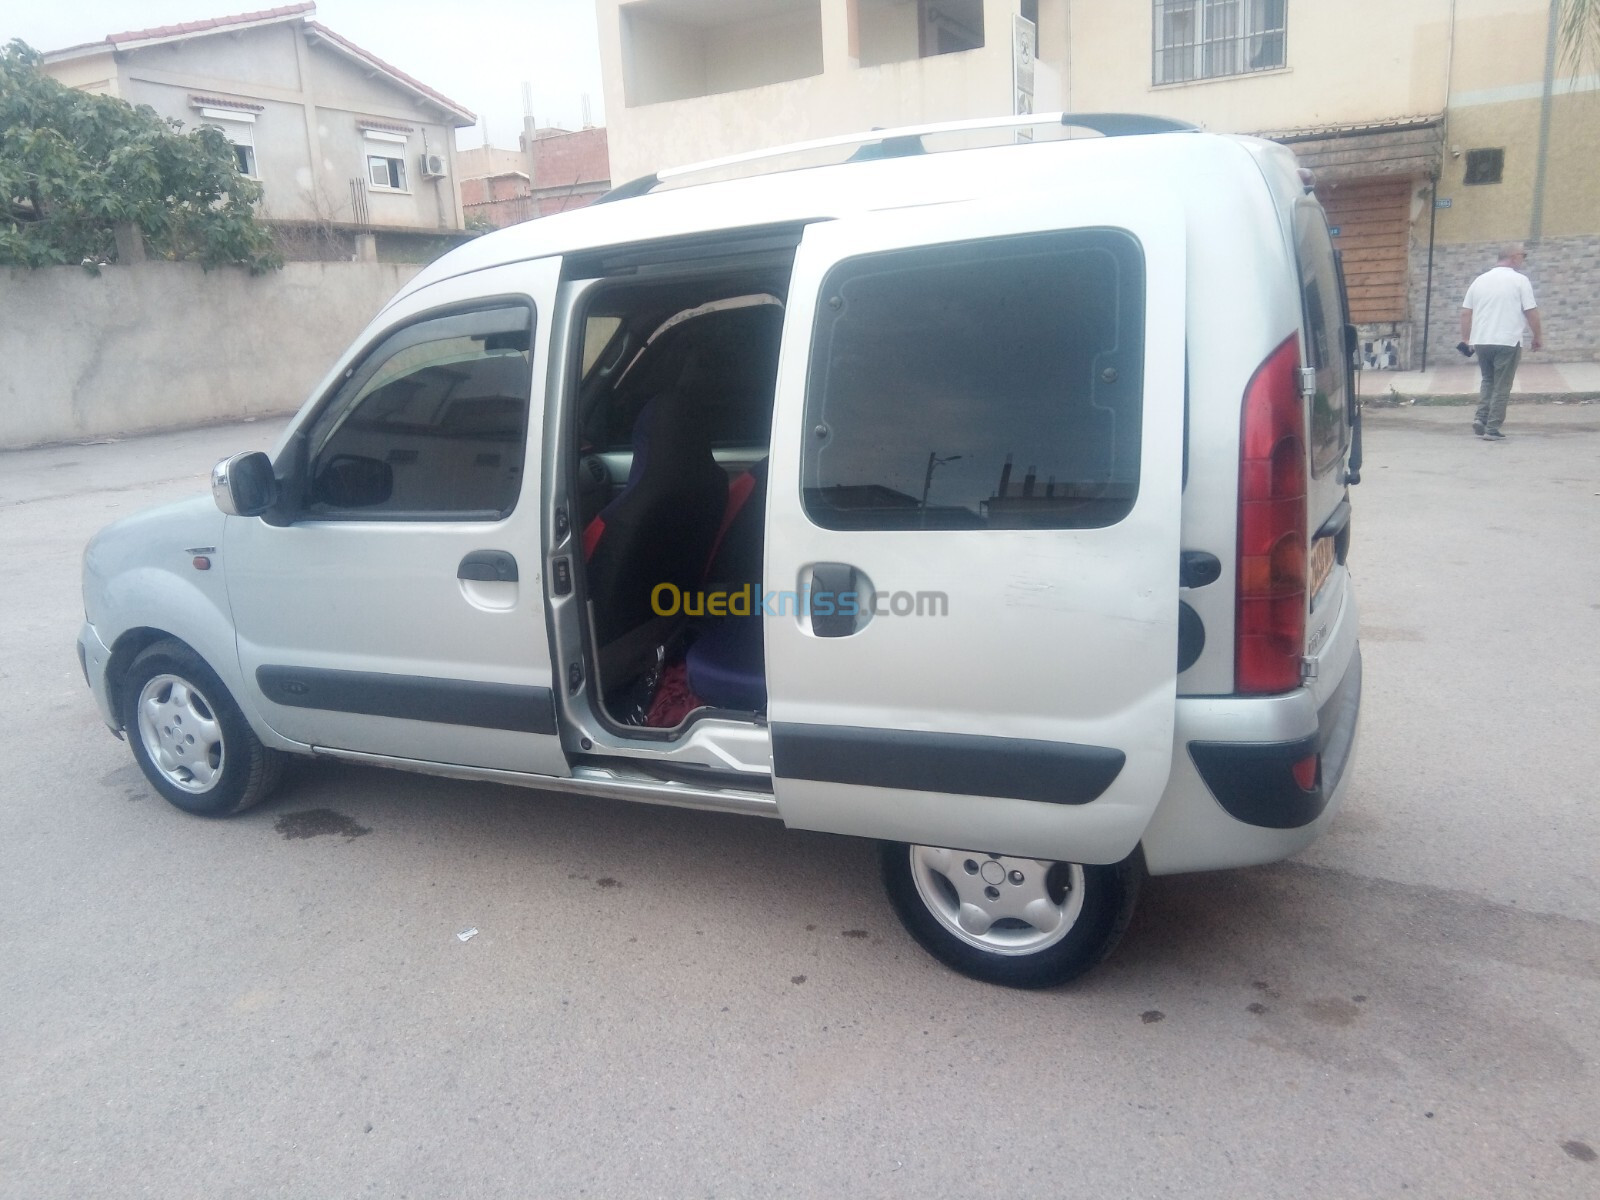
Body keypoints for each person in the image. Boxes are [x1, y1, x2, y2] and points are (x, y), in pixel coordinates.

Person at [1460, 245, 1542, 439]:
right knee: (1502, 385)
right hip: (1507, 340)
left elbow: (1465, 312)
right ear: (1513, 257)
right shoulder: (1520, 280)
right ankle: (1492, 428)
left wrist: (1466, 338)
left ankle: (1481, 418)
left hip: (1481, 341)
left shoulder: (1479, 281)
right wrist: (1537, 336)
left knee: (1488, 380)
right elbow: (1531, 312)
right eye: (1523, 255)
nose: (1524, 259)